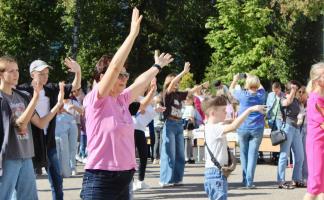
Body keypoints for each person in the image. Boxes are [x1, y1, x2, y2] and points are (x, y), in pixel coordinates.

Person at [80, 8, 174, 200]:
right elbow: (114, 67)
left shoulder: (121, 99)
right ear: (102, 77)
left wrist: (157, 67)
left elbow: (140, 82)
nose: (123, 78)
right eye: (119, 75)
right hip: (100, 179)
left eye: (125, 74)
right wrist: (132, 34)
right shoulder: (96, 100)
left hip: (125, 178)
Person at [17, 57, 81, 200]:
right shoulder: (23, 90)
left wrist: (78, 71)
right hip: (30, 143)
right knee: (27, 182)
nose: (45, 77)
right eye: (41, 74)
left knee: (57, 179)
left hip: (49, 141)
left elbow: (75, 87)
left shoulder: (51, 89)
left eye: (46, 74)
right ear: (32, 74)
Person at [0, 56, 64, 200]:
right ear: (1, 74)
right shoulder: (2, 99)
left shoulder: (22, 96)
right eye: (11, 71)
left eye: (17, 70)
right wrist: (34, 99)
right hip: (7, 157)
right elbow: (20, 125)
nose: (16, 74)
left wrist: (57, 105)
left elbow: (41, 123)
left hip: (26, 155)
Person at [202, 95, 266, 200]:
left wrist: (238, 115)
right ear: (213, 113)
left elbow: (231, 121)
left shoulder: (209, 126)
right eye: (223, 110)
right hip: (216, 174)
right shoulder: (215, 128)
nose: (226, 112)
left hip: (212, 174)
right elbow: (234, 126)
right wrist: (250, 110)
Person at [160, 62, 207, 187]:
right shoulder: (167, 93)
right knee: (169, 153)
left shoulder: (178, 94)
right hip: (169, 124)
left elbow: (190, 91)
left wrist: (202, 85)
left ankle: (177, 178)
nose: (177, 84)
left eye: (178, 83)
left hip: (178, 124)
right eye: (175, 82)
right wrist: (184, 72)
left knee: (180, 154)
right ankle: (166, 179)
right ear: (169, 82)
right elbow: (171, 85)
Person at [229, 73, 266, 188]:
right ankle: (249, 181)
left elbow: (230, 90)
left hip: (243, 127)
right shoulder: (261, 95)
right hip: (257, 128)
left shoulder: (242, 95)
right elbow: (262, 87)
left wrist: (235, 80)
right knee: (253, 155)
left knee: (244, 155)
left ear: (247, 84)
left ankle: (245, 179)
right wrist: (251, 76)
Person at [132, 79, 166, 191]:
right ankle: (130, 182)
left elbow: (149, 109)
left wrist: (157, 109)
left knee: (143, 155)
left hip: (140, 130)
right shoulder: (134, 96)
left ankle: (140, 181)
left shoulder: (147, 100)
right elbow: (142, 104)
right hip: (131, 129)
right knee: (131, 157)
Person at [276, 80, 305, 189]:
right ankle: (281, 181)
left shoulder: (297, 100)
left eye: (296, 87)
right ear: (289, 88)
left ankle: (296, 179)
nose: (296, 89)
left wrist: (300, 117)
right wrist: (292, 92)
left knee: (300, 156)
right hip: (287, 127)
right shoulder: (283, 97)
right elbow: (286, 103)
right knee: (284, 155)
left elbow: (300, 112)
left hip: (296, 128)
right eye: (294, 87)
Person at [303, 62, 324, 200]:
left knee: (322, 186)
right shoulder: (315, 99)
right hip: (317, 145)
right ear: (317, 80)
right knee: (314, 186)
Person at [55, 103, 79, 177]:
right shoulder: (51, 116)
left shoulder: (68, 117)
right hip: (57, 137)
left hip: (65, 136)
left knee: (70, 150)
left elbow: (74, 132)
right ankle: (60, 171)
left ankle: (72, 168)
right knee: (57, 154)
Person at [266, 82, 285, 164]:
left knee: (280, 137)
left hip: (279, 119)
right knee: (273, 137)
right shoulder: (270, 95)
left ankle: (278, 155)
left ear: (280, 89)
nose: (275, 93)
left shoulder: (284, 95)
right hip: (271, 118)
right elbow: (267, 106)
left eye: (276, 91)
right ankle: (274, 156)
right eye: (274, 91)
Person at [297, 85, 307, 185]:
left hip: (307, 128)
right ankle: (298, 177)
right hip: (298, 128)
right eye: (299, 92)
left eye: (302, 92)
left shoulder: (309, 103)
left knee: (306, 155)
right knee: (299, 155)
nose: (301, 94)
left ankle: (305, 178)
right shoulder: (297, 103)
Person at [182, 94, 196, 164]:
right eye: (185, 100)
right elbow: (191, 118)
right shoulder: (189, 107)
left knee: (188, 141)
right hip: (187, 125)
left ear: (191, 100)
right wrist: (193, 124)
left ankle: (188, 157)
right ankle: (188, 157)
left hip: (186, 124)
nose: (186, 101)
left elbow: (191, 117)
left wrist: (192, 123)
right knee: (188, 141)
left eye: (187, 100)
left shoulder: (189, 107)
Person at [152, 94, 164, 165]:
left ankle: (155, 158)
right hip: (161, 125)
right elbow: (161, 117)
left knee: (156, 142)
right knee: (161, 142)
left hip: (155, 126)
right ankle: (160, 158)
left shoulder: (154, 107)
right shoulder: (161, 108)